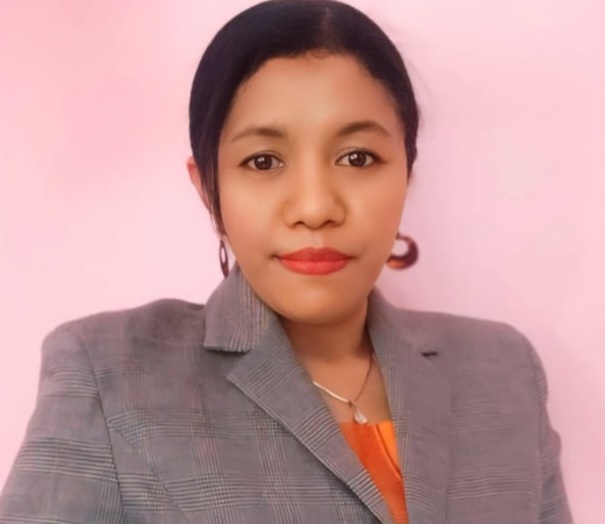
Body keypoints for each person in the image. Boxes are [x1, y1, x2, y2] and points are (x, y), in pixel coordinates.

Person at [0, 1, 573, 523]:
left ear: (406, 171)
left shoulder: (505, 374)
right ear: (209, 190)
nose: (315, 207)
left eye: (358, 157)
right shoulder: (109, 375)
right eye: (263, 161)